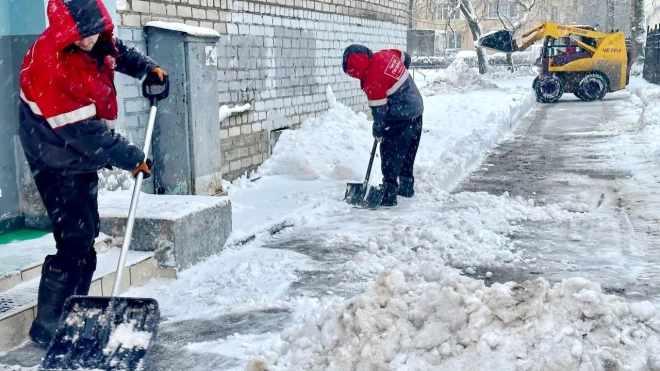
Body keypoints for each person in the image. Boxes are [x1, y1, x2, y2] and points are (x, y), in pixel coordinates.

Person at [18, 0, 168, 346]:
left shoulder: (93, 38)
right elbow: (87, 134)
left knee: (85, 237)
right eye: (80, 36)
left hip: (76, 154)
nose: (89, 40)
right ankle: (48, 326)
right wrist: (132, 158)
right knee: (73, 241)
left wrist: (147, 68)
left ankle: (75, 310)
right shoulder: (52, 68)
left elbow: (113, 51)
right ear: (65, 33)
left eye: (92, 32)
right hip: (54, 156)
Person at [342, 44, 424, 207]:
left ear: (354, 71)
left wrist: (378, 131)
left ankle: (389, 193)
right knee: (407, 153)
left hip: (401, 116)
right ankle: (407, 188)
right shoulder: (385, 54)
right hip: (417, 109)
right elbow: (405, 58)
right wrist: (396, 83)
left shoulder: (372, 81)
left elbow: (380, 112)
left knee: (390, 154)